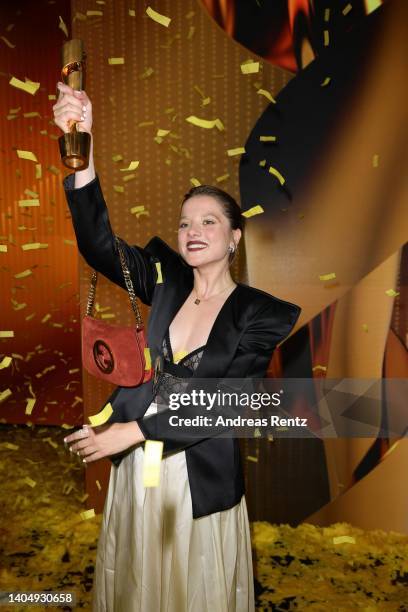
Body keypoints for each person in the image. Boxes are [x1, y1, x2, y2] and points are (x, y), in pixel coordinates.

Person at [54, 82, 301, 612]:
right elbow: (99, 246)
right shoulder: (164, 277)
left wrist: (132, 430)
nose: (192, 231)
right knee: (138, 582)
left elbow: (229, 400)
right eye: (185, 222)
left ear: (235, 237)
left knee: (195, 591)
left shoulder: (261, 314)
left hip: (197, 480)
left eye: (208, 221)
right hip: (138, 473)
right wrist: (83, 150)